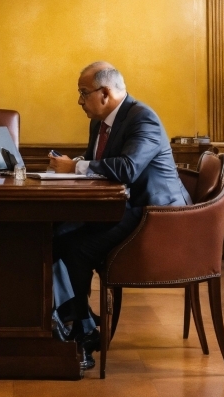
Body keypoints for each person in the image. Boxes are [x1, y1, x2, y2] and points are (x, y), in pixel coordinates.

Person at [50, 61, 191, 368]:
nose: (79, 101)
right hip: (123, 207)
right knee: (55, 234)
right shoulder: (99, 123)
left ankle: (78, 332)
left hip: (155, 215)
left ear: (105, 92)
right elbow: (96, 165)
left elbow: (127, 168)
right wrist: (73, 166)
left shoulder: (143, 118)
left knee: (76, 247)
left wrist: (75, 167)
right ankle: (76, 322)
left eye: (83, 93)